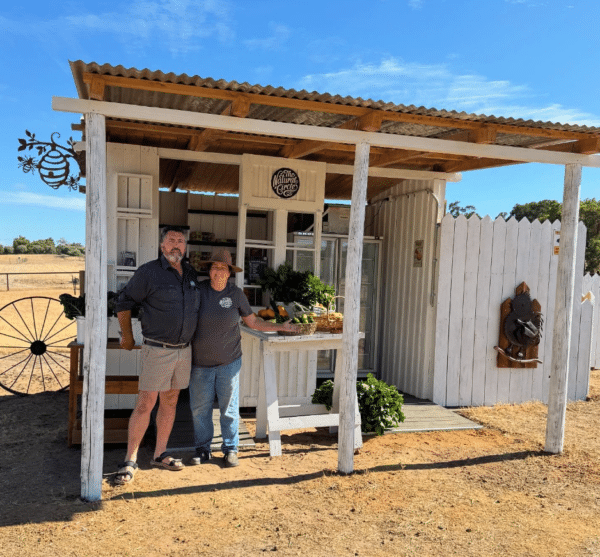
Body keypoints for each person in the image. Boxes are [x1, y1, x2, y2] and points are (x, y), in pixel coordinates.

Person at [189, 249, 298, 467]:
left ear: (229, 273)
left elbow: (254, 322)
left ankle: (230, 449)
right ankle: (202, 449)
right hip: (200, 364)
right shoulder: (198, 291)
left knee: (229, 408)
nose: (217, 271)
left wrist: (281, 327)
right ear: (209, 271)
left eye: (222, 268)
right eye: (214, 267)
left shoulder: (236, 294)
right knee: (200, 409)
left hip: (229, 362)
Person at [113, 226, 200, 485]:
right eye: (171, 240)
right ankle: (130, 459)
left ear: (185, 247)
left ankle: (160, 453)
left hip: (184, 351)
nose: (176, 245)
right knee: (145, 404)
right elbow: (124, 302)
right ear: (162, 246)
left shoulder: (191, 274)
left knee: (170, 402)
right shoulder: (149, 272)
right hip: (157, 350)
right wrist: (127, 336)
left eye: (181, 241)